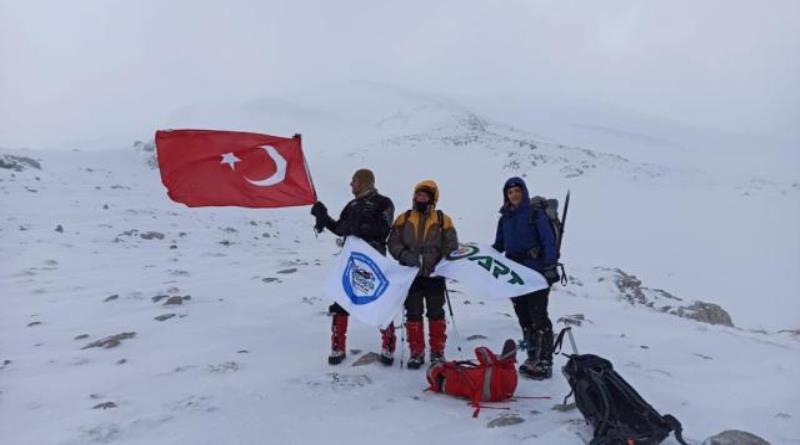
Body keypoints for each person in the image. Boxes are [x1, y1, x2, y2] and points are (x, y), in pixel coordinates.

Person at [310, 169, 395, 365]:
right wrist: (323, 216)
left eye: (354, 181)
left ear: (365, 182)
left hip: (373, 260)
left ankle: (388, 345)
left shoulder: (384, 202)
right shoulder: (352, 205)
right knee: (341, 299)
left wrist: (357, 229)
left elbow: (383, 230)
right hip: (350, 261)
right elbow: (341, 228)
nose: (351, 184)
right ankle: (337, 346)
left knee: (379, 302)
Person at [492, 177, 559, 380]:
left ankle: (545, 360)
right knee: (524, 317)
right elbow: (499, 246)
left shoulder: (534, 214)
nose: (513, 195)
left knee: (539, 316)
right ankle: (532, 356)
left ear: (524, 192)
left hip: (536, 272)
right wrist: (474, 254)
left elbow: (548, 241)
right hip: (515, 275)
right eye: (510, 192)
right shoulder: (504, 218)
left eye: (517, 191)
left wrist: (550, 266)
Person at [388, 180, 458, 369]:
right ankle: (416, 353)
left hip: (434, 276)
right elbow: (393, 243)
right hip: (410, 276)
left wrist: (441, 262)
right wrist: (404, 255)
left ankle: (437, 352)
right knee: (413, 313)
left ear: (432, 198)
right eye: (418, 195)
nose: (420, 198)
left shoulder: (443, 219)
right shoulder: (404, 218)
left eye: (425, 196)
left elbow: (451, 245)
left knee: (436, 314)